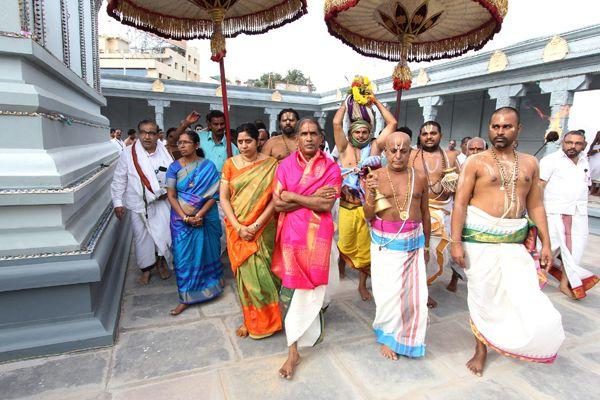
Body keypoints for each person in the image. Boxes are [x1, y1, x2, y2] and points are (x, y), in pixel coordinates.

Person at [451, 107, 564, 377]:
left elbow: (535, 205)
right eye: (495, 127)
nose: (500, 132)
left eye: (507, 127)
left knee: (523, 292)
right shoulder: (475, 162)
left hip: (514, 238)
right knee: (483, 295)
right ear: (489, 128)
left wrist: (546, 243)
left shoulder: (530, 163)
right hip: (479, 239)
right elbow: (460, 204)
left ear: (518, 129)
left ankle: (510, 336)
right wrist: (455, 241)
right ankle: (481, 349)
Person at [271, 117, 342, 379]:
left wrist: (292, 196)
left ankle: (308, 336)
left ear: (321, 138)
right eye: (304, 133)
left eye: (314, 133)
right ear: (297, 138)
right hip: (291, 237)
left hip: (319, 240)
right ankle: (293, 352)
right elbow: (277, 205)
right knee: (290, 294)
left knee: (313, 292)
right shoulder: (285, 166)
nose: (309, 138)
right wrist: (308, 200)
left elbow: (325, 206)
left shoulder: (331, 168)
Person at [363, 132, 431, 360]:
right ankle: (388, 336)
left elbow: (425, 213)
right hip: (385, 244)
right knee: (388, 294)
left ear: (411, 151)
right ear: (385, 152)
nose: (398, 156)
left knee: (414, 295)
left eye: (404, 151)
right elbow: (368, 214)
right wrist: (371, 192)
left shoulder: (420, 177)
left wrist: (428, 246)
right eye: (393, 150)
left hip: (413, 242)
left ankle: (408, 337)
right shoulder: (375, 176)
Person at [220, 123, 282, 339]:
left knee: (266, 275)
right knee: (245, 279)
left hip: (263, 228)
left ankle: (272, 319)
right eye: (240, 142)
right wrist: (239, 227)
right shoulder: (230, 164)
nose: (244, 146)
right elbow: (224, 198)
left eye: (248, 141)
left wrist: (255, 226)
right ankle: (250, 320)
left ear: (258, 142)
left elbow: (275, 199)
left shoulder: (271, 165)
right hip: (237, 229)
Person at [332, 96, 397, 301]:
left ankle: (362, 285)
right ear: (350, 132)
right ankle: (342, 267)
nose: (361, 135)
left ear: (370, 133)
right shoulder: (343, 148)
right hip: (346, 205)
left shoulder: (375, 147)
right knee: (345, 243)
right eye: (357, 132)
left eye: (365, 132)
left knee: (366, 249)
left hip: (367, 206)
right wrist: (346, 101)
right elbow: (335, 123)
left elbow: (392, 123)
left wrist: (376, 102)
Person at [166, 131, 224, 316]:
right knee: (183, 258)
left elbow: (214, 194)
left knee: (208, 252)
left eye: (186, 142)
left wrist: (199, 215)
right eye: (180, 143)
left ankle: (211, 287)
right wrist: (185, 217)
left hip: (204, 217)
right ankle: (185, 297)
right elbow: (171, 195)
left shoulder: (208, 166)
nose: (182, 146)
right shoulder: (173, 167)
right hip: (180, 221)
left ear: (197, 145)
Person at [111, 120, 173, 285]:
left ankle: (160, 264)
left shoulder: (164, 152)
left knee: (163, 234)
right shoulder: (128, 153)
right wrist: (118, 202)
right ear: (138, 134)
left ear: (157, 134)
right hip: (137, 204)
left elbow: (174, 176)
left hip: (162, 202)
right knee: (142, 238)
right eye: (144, 132)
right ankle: (146, 269)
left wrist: (166, 192)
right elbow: (119, 178)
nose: (147, 136)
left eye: (151, 133)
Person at [540, 130, 599, 299]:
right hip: (553, 213)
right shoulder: (550, 161)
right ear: (562, 143)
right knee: (545, 250)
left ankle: (565, 284)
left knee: (574, 254)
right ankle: (534, 282)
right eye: (569, 142)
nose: (573, 146)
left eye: (577, 143)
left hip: (578, 214)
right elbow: (539, 186)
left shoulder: (584, 161)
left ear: (584, 145)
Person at [409, 121, 459, 308]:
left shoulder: (451, 157)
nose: (429, 136)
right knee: (414, 253)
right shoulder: (411, 155)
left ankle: (424, 289)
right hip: (415, 210)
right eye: (425, 133)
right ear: (420, 136)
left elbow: (459, 188)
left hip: (442, 211)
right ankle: (414, 291)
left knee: (434, 254)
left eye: (433, 133)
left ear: (441, 135)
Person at [446, 136, 488, 292]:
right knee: (458, 248)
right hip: (461, 213)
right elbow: (451, 191)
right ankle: (454, 278)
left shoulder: (491, 168)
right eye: (472, 149)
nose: (475, 152)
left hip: (483, 218)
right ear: (466, 149)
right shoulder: (459, 167)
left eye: (479, 149)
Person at [588, 131, 600, 195]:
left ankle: (598, 192)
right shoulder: (593, 144)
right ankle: (592, 191)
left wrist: (596, 150)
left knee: (598, 175)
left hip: (598, 161)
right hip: (593, 161)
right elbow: (589, 152)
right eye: (598, 135)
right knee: (592, 176)